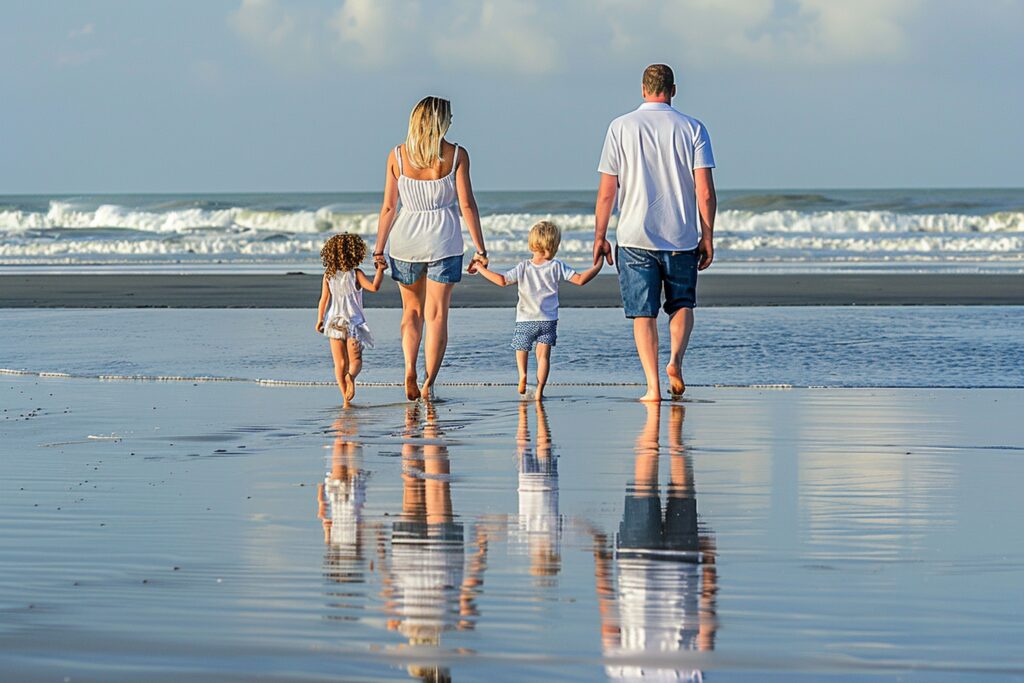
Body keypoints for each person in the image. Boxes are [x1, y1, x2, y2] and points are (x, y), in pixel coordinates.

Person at [593, 63, 718, 401]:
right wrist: (707, 235)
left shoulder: (620, 127)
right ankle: (675, 360)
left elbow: (608, 191)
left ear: (643, 89)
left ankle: (651, 387)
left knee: (642, 312)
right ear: (673, 90)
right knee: (682, 304)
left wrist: (599, 236)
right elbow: (704, 190)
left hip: (634, 237)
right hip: (681, 236)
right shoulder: (693, 128)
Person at [372, 96, 489, 401]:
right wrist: (480, 248)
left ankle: (409, 366)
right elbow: (466, 204)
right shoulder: (457, 155)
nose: (452, 120)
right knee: (436, 315)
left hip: (405, 242)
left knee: (411, 312)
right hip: (444, 241)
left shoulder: (397, 156)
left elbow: (388, 207)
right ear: (441, 121)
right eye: (449, 116)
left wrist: (378, 249)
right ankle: (428, 384)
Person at [473, 220, 602, 399]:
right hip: (548, 321)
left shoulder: (524, 267)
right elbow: (580, 279)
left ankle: (522, 375)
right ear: (554, 245)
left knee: (521, 348)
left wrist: (480, 268)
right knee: (543, 358)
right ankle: (540, 390)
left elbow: (502, 280)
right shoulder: (557, 266)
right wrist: (598, 266)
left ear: (532, 244)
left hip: (525, 320)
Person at [316, 233, 385, 407]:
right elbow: (374, 288)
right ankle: (351, 377)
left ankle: (345, 400)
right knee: (356, 361)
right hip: (353, 323)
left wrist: (320, 320)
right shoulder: (356, 274)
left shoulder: (328, 276)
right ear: (355, 252)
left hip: (334, 323)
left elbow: (323, 300)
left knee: (339, 363)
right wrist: (380, 271)